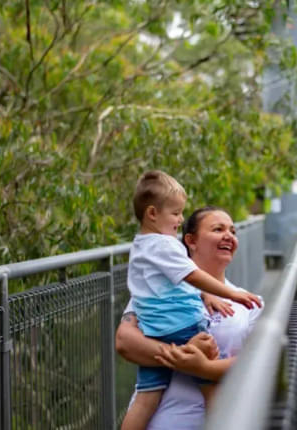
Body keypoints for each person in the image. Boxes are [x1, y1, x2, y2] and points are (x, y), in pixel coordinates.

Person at [121, 172, 262, 430]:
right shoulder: (159, 292)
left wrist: (203, 367)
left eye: (233, 230)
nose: (229, 236)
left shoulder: (251, 304)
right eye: (217, 229)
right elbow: (124, 342)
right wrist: (187, 354)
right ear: (190, 241)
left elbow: (255, 361)